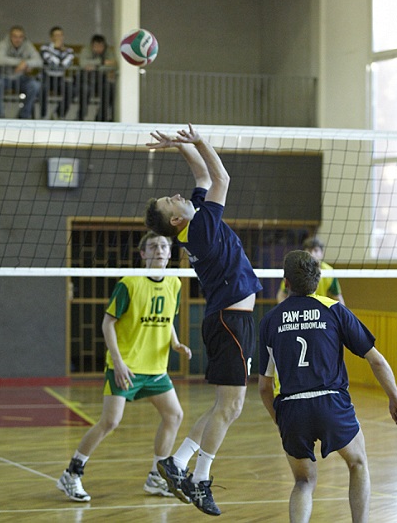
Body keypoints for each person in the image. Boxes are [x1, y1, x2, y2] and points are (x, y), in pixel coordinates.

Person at [144, 123, 263, 516]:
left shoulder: (193, 221)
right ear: (176, 220)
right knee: (231, 407)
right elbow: (221, 178)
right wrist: (199, 140)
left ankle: (178, 463)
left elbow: (202, 176)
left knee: (224, 407)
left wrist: (180, 145)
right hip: (231, 321)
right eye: (171, 201)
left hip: (228, 320)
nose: (177, 196)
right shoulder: (202, 228)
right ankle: (199, 480)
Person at [258, 249, 397, 523]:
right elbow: (376, 360)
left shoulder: (270, 320)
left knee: (303, 482)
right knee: (357, 463)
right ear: (318, 281)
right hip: (331, 403)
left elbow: (264, 387)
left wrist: (280, 421)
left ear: (286, 281)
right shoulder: (335, 310)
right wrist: (395, 398)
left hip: (291, 407)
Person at [56, 232, 192, 502]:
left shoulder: (175, 283)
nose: (159, 250)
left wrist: (176, 343)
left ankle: (156, 477)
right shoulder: (129, 283)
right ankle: (71, 474)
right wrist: (117, 362)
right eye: (153, 246)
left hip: (155, 369)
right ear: (143, 254)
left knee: (174, 415)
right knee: (110, 421)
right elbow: (108, 323)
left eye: (164, 246)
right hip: (126, 366)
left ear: (170, 253)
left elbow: (167, 320)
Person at [276, 237, 345, 306]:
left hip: (320, 308)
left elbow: (338, 297)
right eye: (309, 250)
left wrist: (343, 312)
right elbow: (281, 295)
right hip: (299, 307)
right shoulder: (296, 269)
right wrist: (286, 309)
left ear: (322, 253)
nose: (312, 254)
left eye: (316, 250)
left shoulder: (329, 271)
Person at [0, 25, 42, 119]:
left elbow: (39, 61)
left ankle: (24, 115)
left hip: (20, 78)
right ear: (10, 37)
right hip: (4, 77)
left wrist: (26, 63)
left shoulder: (27, 45)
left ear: (23, 37)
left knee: (35, 85)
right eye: (15, 36)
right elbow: (0, 60)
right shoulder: (3, 44)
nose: (18, 39)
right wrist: (21, 63)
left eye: (20, 37)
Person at [78, 34, 117, 121]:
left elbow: (113, 65)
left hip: (102, 79)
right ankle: (81, 116)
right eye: (96, 46)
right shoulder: (86, 50)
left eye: (101, 46)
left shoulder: (108, 51)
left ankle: (101, 116)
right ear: (92, 46)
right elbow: (83, 63)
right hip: (86, 79)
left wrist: (95, 66)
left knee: (109, 90)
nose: (99, 49)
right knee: (85, 90)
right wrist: (102, 62)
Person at [39, 26, 75, 120]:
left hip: (60, 77)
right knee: (42, 88)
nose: (59, 38)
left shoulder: (69, 50)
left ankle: (58, 114)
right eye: (56, 35)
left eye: (61, 35)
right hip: (47, 76)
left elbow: (66, 64)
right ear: (51, 38)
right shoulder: (45, 48)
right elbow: (52, 62)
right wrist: (56, 50)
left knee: (71, 89)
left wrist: (59, 59)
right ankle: (43, 115)